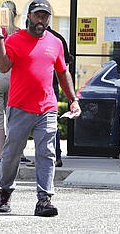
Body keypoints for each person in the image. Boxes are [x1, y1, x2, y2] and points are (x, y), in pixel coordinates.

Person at [0, 0, 81, 216]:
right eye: (37, 15)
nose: (41, 20)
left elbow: (62, 71)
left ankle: (44, 199)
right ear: (28, 16)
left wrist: (73, 99)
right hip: (19, 107)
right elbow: (2, 66)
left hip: (46, 108)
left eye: (45, 16)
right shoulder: (15, 40)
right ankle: (5, 190)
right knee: (12, 154)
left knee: (46, 153)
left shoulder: (54, 42)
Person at [0, 1, 31, 165]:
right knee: (15, 117)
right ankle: (19, 154)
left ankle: (3, 155)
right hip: (14, 76)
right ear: (15, 15)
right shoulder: (20, 33)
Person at [47, 26, 73, 167]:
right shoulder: (59, 38)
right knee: (50, 122)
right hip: (53, 85)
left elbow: (64, 68)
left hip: (50, 85)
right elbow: (66, 65)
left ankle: (55, 156)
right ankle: (54, 156)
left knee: (48, 122)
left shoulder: (55, 40)